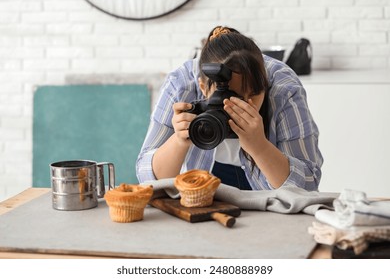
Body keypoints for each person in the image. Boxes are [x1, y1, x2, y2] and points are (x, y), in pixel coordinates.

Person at [136, 26, 323, 191]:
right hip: (203, 193)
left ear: (265, 85)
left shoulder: (282, 88)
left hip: (268, 194)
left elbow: (308, 184)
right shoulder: (182, 85)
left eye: (254, 94)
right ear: (203, 88)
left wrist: (259, 147)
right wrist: (179, 141)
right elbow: (147, 177)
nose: (246, 105)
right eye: (234, 97)